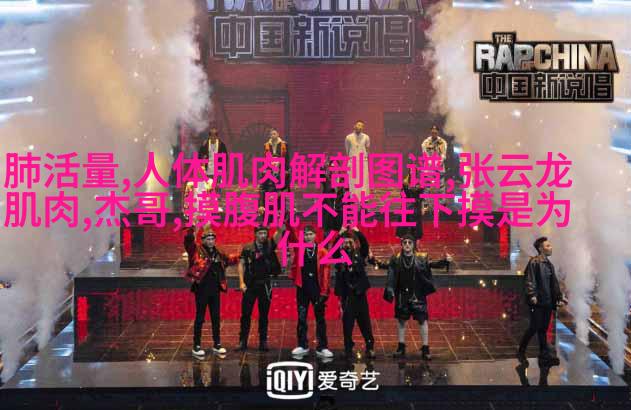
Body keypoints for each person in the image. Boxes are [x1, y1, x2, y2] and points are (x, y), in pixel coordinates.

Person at [383, 234, 451, 359]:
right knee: (401, 320)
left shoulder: (422, 257)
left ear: (413, 245)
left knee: (422, 320)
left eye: (409, 242)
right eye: (405, 242)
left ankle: (425, 348)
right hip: (402, 295)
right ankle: (401, 347)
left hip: (417, 295)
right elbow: (389, 270)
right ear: (402, 245)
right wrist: (390, 288)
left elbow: (433, 264)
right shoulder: (396, 259)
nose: (407, 245)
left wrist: (445, 261)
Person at [184, 224, 237, 358]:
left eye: (212, 239)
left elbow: (230, 259)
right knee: (200, 318)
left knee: (216, 318)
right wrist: (192, 229)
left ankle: (217, 344)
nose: (211, 241)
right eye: (208, 239)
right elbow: (189, 241)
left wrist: (243, 256)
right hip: (201, 289)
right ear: (203, 240)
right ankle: (196, 345)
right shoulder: (196, 250)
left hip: (215, 289)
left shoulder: (218, 253)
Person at [517, 236, 567, 366]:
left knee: (543, 328)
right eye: (547, 246)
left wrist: (558, 298)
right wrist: (532, 295)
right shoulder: (534, 262)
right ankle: (521, 351)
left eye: (550, 245)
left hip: (548, 302)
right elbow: (529, 280)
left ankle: (544, 354)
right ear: (540, 248)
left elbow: (554, 284)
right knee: (534, 327)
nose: (551, 248)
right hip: (538, 302)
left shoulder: (549, 265)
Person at [237, 224, 285, 352]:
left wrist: (282, 221)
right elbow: (241, 264)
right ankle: (243, 341)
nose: (263, 235)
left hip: (265, 285)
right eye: (260, 233)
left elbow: (279, 231)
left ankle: (263, 341)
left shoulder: (269, 245)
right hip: (250, 285)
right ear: (255, 234)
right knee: (245, 314)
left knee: (264, 314)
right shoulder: (248, 248)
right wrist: (241, 282)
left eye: (265, 233)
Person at [289, 225, 334, 358]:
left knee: (320, 319)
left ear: (315, 235)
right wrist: (288, 222)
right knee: (301, 317)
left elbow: (326, 274)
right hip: (302, 288)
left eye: (310, 234)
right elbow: (292, 235)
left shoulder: (322, 251)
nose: (308, 237)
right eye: (306, 235)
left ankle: (322, 347)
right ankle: (302, 345)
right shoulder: (300, 248)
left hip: (316, 289)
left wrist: (324, 292)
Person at [333, 226, 376, 359]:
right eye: (345, 242)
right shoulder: (339, 256)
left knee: (365, 323)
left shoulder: (359, 254)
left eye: (350, 242)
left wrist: (358, 232)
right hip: (347, 295)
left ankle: (370, 346)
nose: (347, 244)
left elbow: (365, 245)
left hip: (359, 294)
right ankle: (348, 347)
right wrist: (339, 236)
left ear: (354, 243)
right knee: (347, 324)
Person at [420, 125, 448, 206]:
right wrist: (430, 162)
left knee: (441, 185)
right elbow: (424, 153)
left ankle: (442, 202)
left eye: (435, 132)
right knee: (427, 185)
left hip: (439, 166)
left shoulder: (442, 142)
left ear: (438, 132)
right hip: (428, 166)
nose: (434, 133)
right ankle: (425, 202)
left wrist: (439, 162)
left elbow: (443, 154)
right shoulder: (425, 142)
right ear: (430, 132)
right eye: (432, 131)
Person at [345, 120, 370, 199]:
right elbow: (347, 150)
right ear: (354, 126)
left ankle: (364, 197)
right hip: (353, 161)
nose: (360, 127)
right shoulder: (348, 137)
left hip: (363, 161)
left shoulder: (366, 137)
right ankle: (353, 197)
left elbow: (367, 149)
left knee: (364, 180)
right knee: (353, 180)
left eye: (361, 126)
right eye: (358, 125)